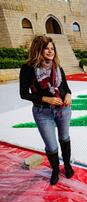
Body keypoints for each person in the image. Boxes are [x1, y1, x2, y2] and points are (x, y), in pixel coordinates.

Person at [20, 35, 74, 185]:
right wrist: (46, 99)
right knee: (51, 145)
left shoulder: (57, 67)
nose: (50, 51)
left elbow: (66, 88)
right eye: (47, 48)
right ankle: (55, 170)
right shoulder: (28, 68)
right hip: (43, 112)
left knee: (64, 138)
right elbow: (23, 94)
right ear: (38, 49)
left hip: (63, 110)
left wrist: (68, 94)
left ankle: (67, 164)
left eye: (52, 48)